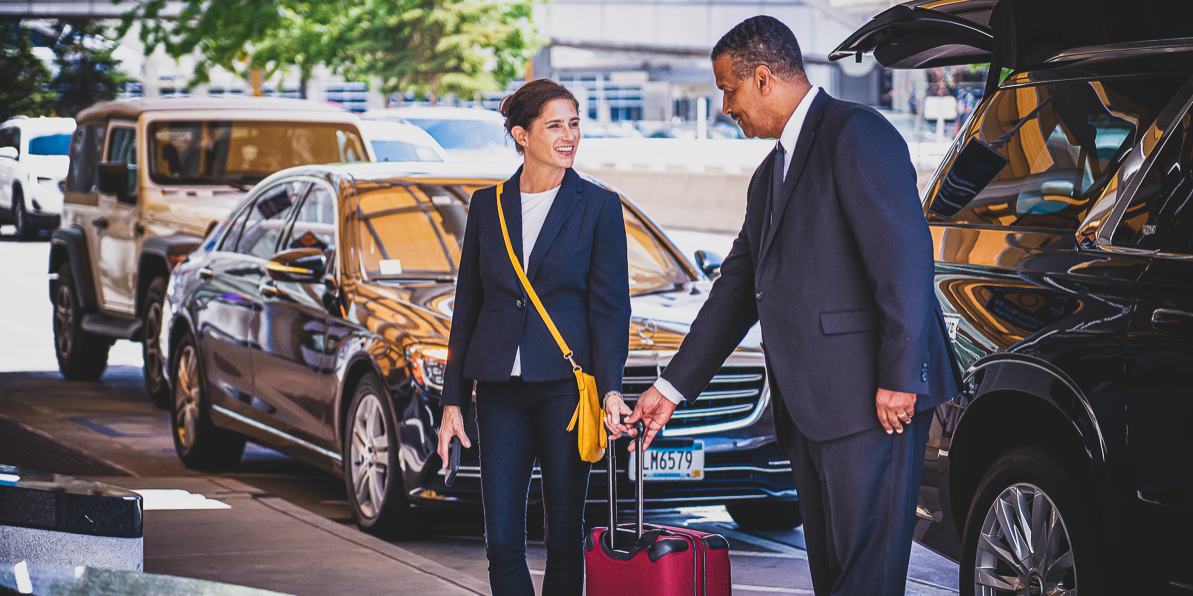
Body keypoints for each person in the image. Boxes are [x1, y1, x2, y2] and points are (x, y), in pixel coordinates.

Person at [607, 16, 959, 596]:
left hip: (874, 402)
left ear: (764, 78)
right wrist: (670, 390)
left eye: (729, 90)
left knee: (866, 580)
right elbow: (737, 289)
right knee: (833, 578)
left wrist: (901, 377)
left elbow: (905, 263)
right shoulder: (769, 174)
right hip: (811, 412)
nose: (726, 107)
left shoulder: (857, 134)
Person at [437, 79, 632, 596]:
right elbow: (467, 307)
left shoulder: (599, 207)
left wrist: (611, 388)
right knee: (501, 539)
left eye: (574, 123)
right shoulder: (487, 206)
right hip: (498, 390)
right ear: (522, 136)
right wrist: (452, 401)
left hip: (565, 391)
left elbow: (610, 310)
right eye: (555, 125)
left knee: (564, 536)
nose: (569, 136)